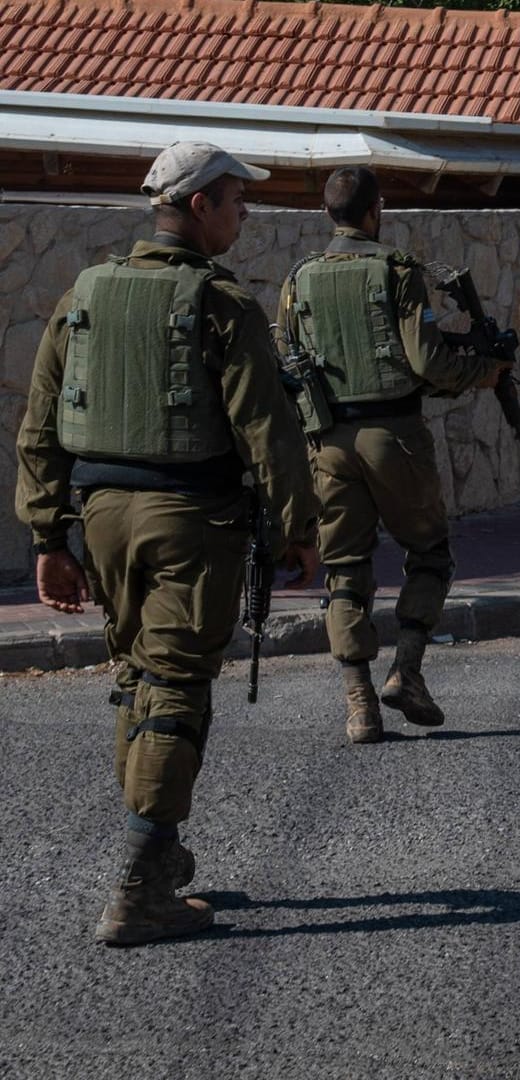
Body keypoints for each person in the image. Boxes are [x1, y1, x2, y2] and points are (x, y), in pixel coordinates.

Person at [14, 141, 321, 946]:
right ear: (197, 207)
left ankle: (158, 847)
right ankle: (138, 885)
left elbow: (40, 424)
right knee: (178, 687)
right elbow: (269, 430)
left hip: (103, 519)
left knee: (136, 682)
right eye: (236, 203)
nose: (244, 216)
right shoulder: (221, 304)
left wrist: (49, 536)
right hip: (191, 522)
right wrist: (299, 531)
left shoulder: (85, 291)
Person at [278, 166, 502, 744]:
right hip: (394, 437)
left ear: (329, 214)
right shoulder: (397, 271)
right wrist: (483, 371)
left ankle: (359, 707)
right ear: (376, 209)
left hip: (326, 442)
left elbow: (289, 360)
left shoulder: (298, 278)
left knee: (345, 570)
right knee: (429, 554)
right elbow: (427, 362)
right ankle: (406, 671)